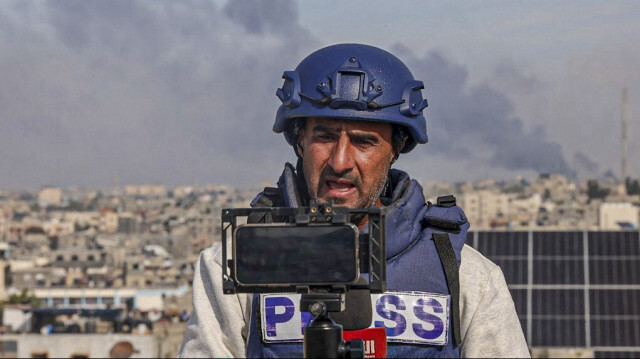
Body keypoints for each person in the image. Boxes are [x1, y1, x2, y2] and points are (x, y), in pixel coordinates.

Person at [178, 43, 530, 358]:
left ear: (397, 148)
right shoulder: (237, 263)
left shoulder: (465, 274)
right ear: (298, 140)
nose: (340, 161)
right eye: (325, 137)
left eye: (363, 141)